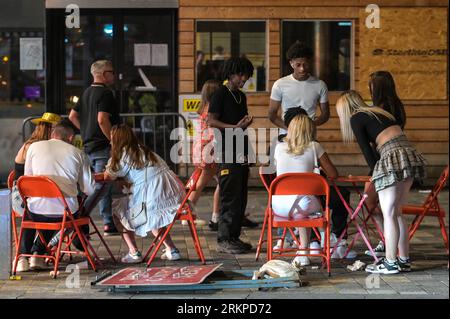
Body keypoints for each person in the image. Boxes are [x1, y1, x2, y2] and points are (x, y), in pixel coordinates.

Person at [336, 90, 426, 274]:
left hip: (392, 157)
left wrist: (374, 174)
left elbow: (367, 152)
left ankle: (391, 262)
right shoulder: (376, 112)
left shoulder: (356, 118)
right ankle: (403, 259)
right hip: (407, 155)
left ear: (344, 109)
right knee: (397, 212)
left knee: (389, 213)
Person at [15, 120, 95, 272]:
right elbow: (89, 189)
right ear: (71, 138)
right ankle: (37, 253)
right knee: (57, 208)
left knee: (35, 209)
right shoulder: (78, 153)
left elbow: (27, 179)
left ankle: (22, 258)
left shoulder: (33, 147)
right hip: (65, 213)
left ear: (52, 134)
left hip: (36, 210)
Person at [104, 124, 185, 263]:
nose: (110, 142)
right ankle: (172, 249)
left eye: (112, 139)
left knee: (118, 211)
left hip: (153, 196)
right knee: (154, 214)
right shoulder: (144, 150)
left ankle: (134, 252)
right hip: (174, 195)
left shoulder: (122, 155)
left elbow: (107, 176)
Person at [274, 109, 338, 267]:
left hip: (279, 206)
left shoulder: (278, 148)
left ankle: (303, 252)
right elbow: (333, 174)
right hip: (304, 205)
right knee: (308, 202)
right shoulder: (314, 146)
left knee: (301, 203)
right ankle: (326, 236)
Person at [207, 57, 254, 254]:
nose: (244, 79)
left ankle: (233, 236)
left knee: (240, 196)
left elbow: (238, 125)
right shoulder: (220, 94)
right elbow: (211, 121)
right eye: (241, 74)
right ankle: (224, 238)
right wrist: (235, 127)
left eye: (247, 75)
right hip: (226, 151)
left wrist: (243, 124)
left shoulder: (241, 96)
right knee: (230, 196)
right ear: (230, 74)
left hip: (240, 149)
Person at [69, 59, 120, 236]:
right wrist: (113, 140)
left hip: (88, 146)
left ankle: (102, 220)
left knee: (93, 184)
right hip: (102, 146)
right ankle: (85, 217)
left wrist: (85, 130)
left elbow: (72, 116)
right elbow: (102, 119)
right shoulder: (105, 94)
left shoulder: (86, 93)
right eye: (112, 72)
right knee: (103, 184)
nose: (114, 75)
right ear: (104, 74)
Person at [364, 71, 408, 257]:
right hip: (392, 160)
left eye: (372, 86)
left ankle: (387, 241)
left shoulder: (381, 110)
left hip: (383, 161)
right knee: (386, 208)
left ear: (378, 88)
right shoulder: (397, 106)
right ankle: (390, 242)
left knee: (370, 201)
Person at [269, 40, 330, 133]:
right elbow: (272, 114)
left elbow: (325, 114)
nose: (302, 69)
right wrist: (289, 128)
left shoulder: (320, 85)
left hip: (309, 135)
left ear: (309, 62)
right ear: (291, 63)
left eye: (305, 64)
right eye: (298, 65)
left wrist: (311, 125)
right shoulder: (280, 84)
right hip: (286, 135)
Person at [12, 112, 61, 217]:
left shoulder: (42, 145)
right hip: (22, 195)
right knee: (61, 207)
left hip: (35, 192)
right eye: (56, 129)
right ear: (50, 130)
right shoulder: (31, 146)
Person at [190, 79, 221, 230]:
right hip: (210, 149)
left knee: (200, 182)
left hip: (200, 147)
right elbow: (214, 131)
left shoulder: (203, 108)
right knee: (222, 182)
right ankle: (216, 216)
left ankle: (187, 212)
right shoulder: (212, 110)